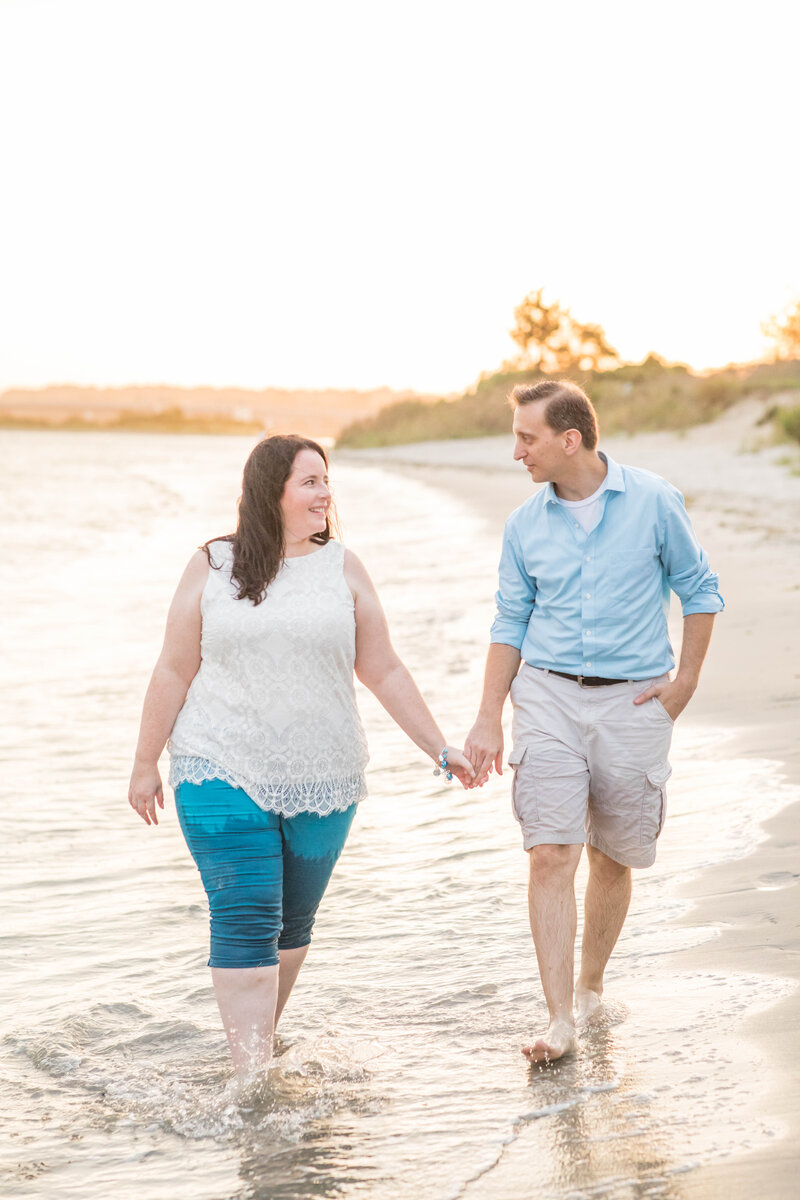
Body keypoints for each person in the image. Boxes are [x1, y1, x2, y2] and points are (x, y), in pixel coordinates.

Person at [128, 434, 472, 1083]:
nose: (324, 493)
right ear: (272, 491)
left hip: (324, 772)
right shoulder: (213, 563)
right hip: (218, 762)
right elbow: (174, 668)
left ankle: (254, 1048)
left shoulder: (344, 566)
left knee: (292, 929)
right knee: (247, 913)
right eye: (310, 481)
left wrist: (441, 749)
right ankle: (251, 1083)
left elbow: (386, 669)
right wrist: (145, 761)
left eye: (325, 480)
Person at [464, 380, 723, 1065]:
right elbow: (509, 621)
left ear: (568, 439)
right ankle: (557, 1021)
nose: (516, 450)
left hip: (634, 702)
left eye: (528, 437)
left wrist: (686, 682)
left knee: (613, 856)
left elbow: (699, 589)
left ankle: (589, 986)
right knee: (550, 852)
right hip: (546, 697)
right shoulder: (524, 525)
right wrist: (489, 715)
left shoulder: (654, 502)